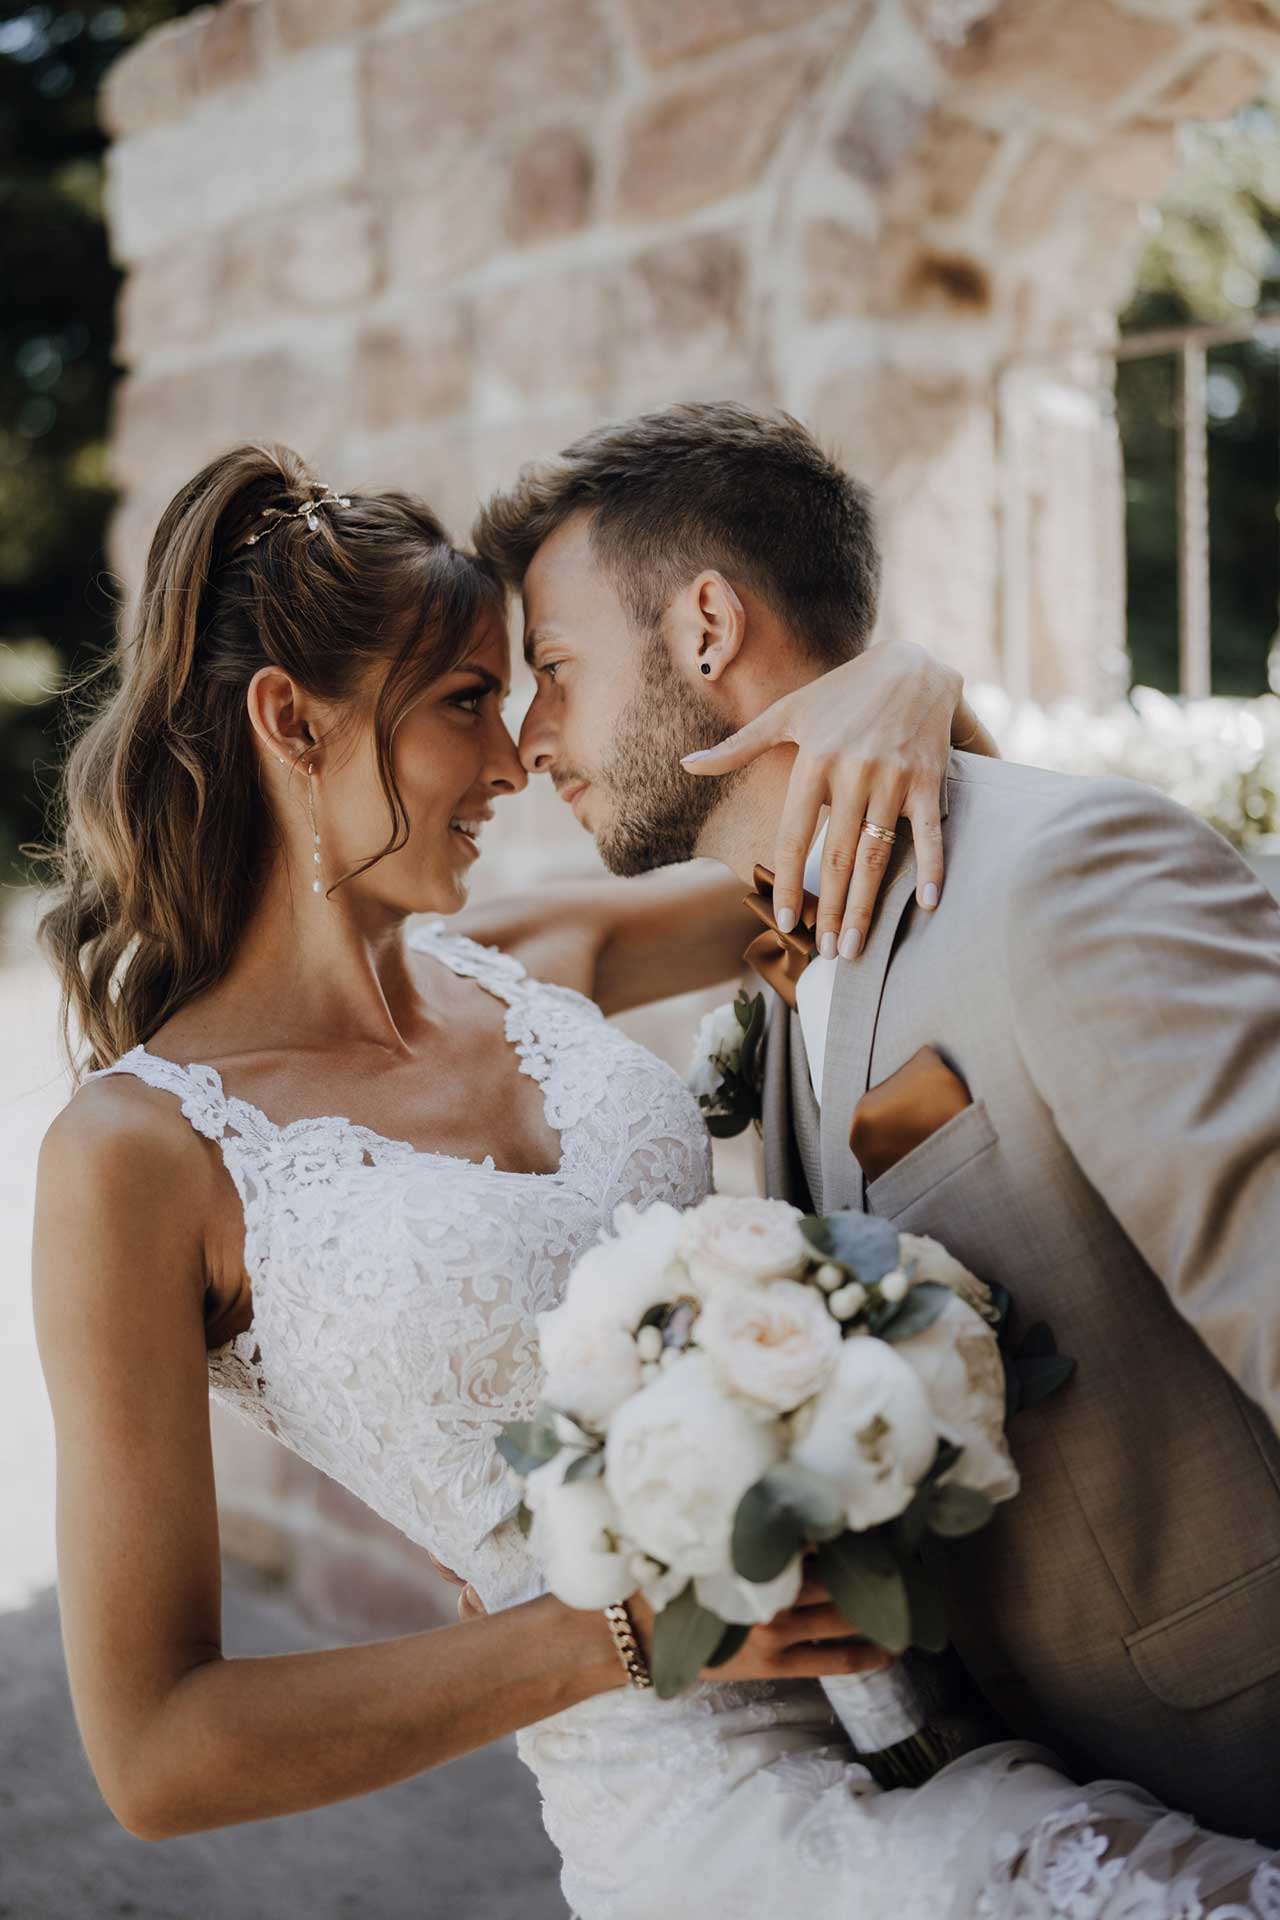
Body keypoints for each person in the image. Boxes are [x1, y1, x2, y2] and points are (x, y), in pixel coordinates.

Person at [32, 442, 1273, 1920]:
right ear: (290, 721)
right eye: (463, 703)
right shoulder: (135, 1157)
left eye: (518, 690)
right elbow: (159, 1755)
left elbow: (904, 841)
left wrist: (907, 681)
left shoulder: (546, 957)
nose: (510, 761)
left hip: (973, 1696)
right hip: (719, 1810)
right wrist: (626, 1632)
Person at [467, 400, 1280, 1870]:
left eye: (557, 671)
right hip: (1053, 1799)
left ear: (707, 625)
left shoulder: (1064, 881)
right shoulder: (794, 952)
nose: (529, 741)